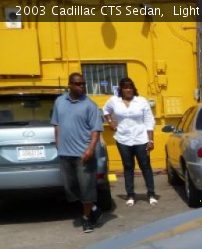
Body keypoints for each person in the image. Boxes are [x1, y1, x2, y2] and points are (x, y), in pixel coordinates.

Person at [51, 72, 104, 233]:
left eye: (83, 84)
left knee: (87, 188)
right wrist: (59, 145)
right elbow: (57, 124)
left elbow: (96, 131)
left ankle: (87, 218)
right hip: (65, 154)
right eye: (78, 84)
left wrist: (90, 149)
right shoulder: (59, 102)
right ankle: (94, 208)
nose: (81, 86)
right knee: (71, 189)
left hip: (84, 155)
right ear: (70, 85)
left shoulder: (90, 105)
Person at [103, 77, 156, 206]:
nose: (128, 90)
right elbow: (105, 110)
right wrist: (110, 122)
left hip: (141, 138)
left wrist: (150, 140)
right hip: (123, 139)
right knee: (128, 166)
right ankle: (130, 195)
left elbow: (149, 120)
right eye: (125, 87)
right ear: (121, 89)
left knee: (145, 166)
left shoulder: (141, 101)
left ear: (133, 88)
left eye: (130, 87)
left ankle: (151, 194)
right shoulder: (114, 101)